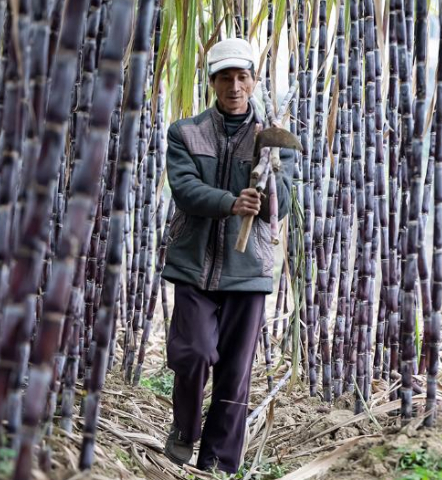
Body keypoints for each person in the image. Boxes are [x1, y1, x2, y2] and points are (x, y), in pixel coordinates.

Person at [160, 37, 295, 474]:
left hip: (248, 269)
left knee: (235, 372)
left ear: (253, 81)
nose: (234, 86)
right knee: (194, 352)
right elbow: (185, 190)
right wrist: (231, 202)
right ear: (212, 83)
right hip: (193, 265)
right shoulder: (185, 132)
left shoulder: (274, 139)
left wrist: (269, 180)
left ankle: (218, 463)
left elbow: (287, 203)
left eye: (242, 77)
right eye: (225, 78)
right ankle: (184, 428)